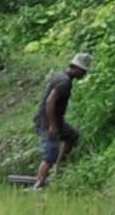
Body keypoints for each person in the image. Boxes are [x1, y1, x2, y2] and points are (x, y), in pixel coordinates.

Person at [27, 54, 90, 190]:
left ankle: (59, 170)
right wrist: (53, 126)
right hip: (48, 122)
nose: (84, 74)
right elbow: (50, 102)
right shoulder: (64, 82)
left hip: (55, 120)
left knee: (72, 136)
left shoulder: (62, 76)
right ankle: (38, 185)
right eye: (83, 71)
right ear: (76, 68)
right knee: (51, 155)